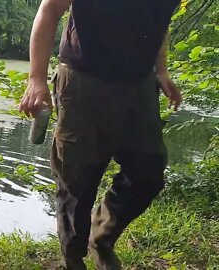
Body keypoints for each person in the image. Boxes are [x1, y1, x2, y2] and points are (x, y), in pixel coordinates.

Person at [19, 0, 183, 269]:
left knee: (148, 173)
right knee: (76, 180)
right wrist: (36, 78)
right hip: (84, 80)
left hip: (139, 84)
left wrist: (161, 71)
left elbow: (160, 20)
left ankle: (101, 239)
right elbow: (49, 10)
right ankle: (72, 259)